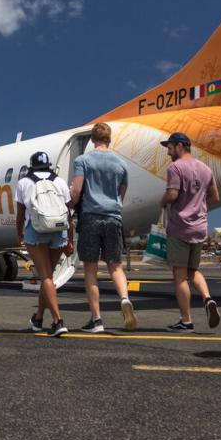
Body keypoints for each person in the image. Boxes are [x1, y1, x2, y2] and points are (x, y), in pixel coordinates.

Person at [70, 122, 137, 333]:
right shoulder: (121, 164)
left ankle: (96, 319)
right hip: (113, 217)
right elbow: (122, 191)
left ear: (92, 139)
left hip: (91, 217)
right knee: (115, 265)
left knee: (90, 269)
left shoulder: (83, 160)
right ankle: (125, 299)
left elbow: (77, 190)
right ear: (110, 139)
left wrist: (70, 206)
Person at [160, 132, 220, 331]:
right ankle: (208, 299)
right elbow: (215, 197)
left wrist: (162, 203)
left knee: (180, 276)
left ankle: (186, 320)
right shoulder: (205, 169)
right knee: (193, 271)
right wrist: (199, 207)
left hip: (180, 227)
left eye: (169, 148)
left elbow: (172, 194)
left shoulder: (175, 168)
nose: (168, 153)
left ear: (179, 146)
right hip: (200, 227)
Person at [16, 151, 73, 337]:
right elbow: (68, 213)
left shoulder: (24, 182)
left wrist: (20, 235)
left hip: (37, 229)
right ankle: (38, 318)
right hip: (58, 230)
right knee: (48, 276)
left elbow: (20, 214)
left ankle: (57, 321)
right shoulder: (59, 181)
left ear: (31, 166)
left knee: (46, 277)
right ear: (49, 165)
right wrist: (70, 239)